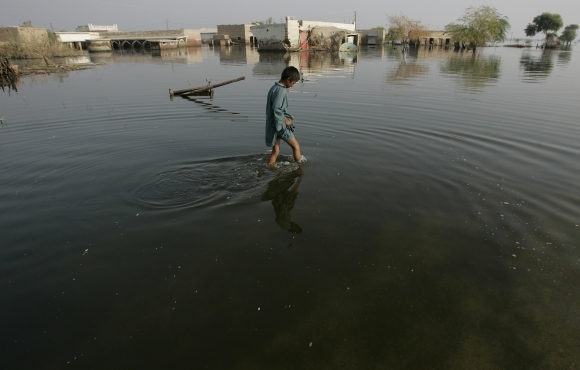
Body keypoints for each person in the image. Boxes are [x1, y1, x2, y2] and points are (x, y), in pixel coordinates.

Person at [265, 66, 306, 166]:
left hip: (273, 125)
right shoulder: (281, 90)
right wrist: (285, 120)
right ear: (288, 79)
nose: (292, 86)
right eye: (293, 83)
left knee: (276, 152)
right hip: (280, 126)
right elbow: (277, 108)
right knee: (296, 146)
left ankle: (270, 168)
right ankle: (299, 168)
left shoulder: (274, 88)